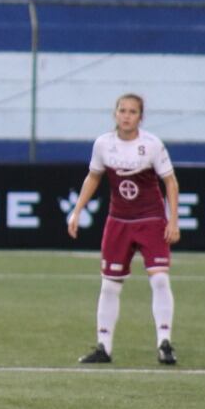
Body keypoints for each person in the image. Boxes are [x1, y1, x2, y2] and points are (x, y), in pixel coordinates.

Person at [68, 93, 181, 365]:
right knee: (109, 285)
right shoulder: (104, 145)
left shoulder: (152, 145)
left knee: (159, 279)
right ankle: (103, 347)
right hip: (118, 222)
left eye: (132, 111)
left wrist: (172, 219)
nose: (127, 116)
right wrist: (77, 210)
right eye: (122, 110)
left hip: (151, 221)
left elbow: (171, 182)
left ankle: (164, 343)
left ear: (140, 117)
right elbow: (93, 177)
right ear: (115, 114)